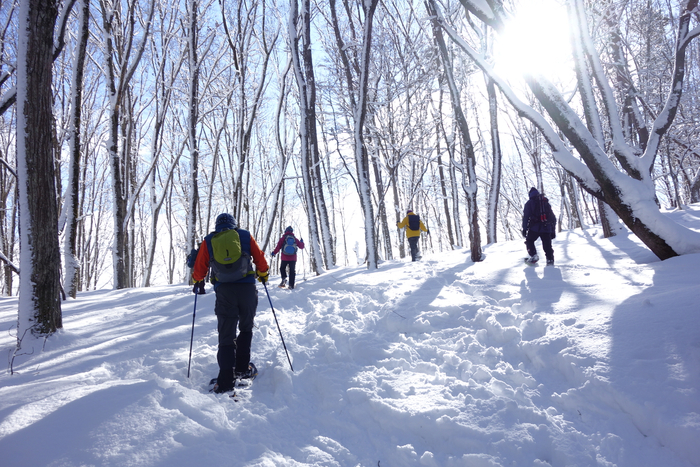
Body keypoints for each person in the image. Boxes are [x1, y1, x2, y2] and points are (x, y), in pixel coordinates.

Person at [191, 213, 269, 393]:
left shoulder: (209, 240)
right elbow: (260, 260)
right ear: (234, 224)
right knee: (246, 327)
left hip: (225, 291)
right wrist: (263, 274)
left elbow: (200, 268)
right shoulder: (244, 235)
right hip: (247, 290)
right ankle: (242, 369)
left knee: (226, 333)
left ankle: (225, 379)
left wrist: (197, 279)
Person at [522, 187, 556, 265]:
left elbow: (526, 217)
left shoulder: (529, 203)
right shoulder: (545, 202)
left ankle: (534, 255)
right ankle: (550, 259)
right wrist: (553, 230)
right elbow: (552, 217)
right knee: (547, 244)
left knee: (529, 241)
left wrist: (524, 228)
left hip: (534, 227)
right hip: (546, 227)